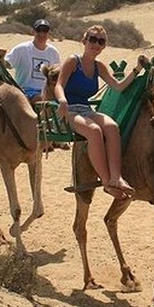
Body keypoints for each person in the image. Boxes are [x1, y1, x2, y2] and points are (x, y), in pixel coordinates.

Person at [53, 25, 144, 200]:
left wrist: (137, 70)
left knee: (111, 126)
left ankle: (117, 177)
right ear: (84, 41)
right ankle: (107, 181)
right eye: (92, 39)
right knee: (94, 131)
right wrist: (62, 100)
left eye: (101, 41)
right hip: (69, 110)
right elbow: (59, 85)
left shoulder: (98, 67)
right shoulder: (73, 61)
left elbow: (118, 86)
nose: (96, 44)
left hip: (85, 109)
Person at [4, 18, 61, 103]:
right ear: (33, 32)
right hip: (25, 91)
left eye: (45, 31)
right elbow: (7, 64)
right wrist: (1, 58)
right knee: (43, 100)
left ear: (49, 33)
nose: (41, 34)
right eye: (39, 30)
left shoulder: (53, 52)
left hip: (47, 92)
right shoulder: (22, 49)